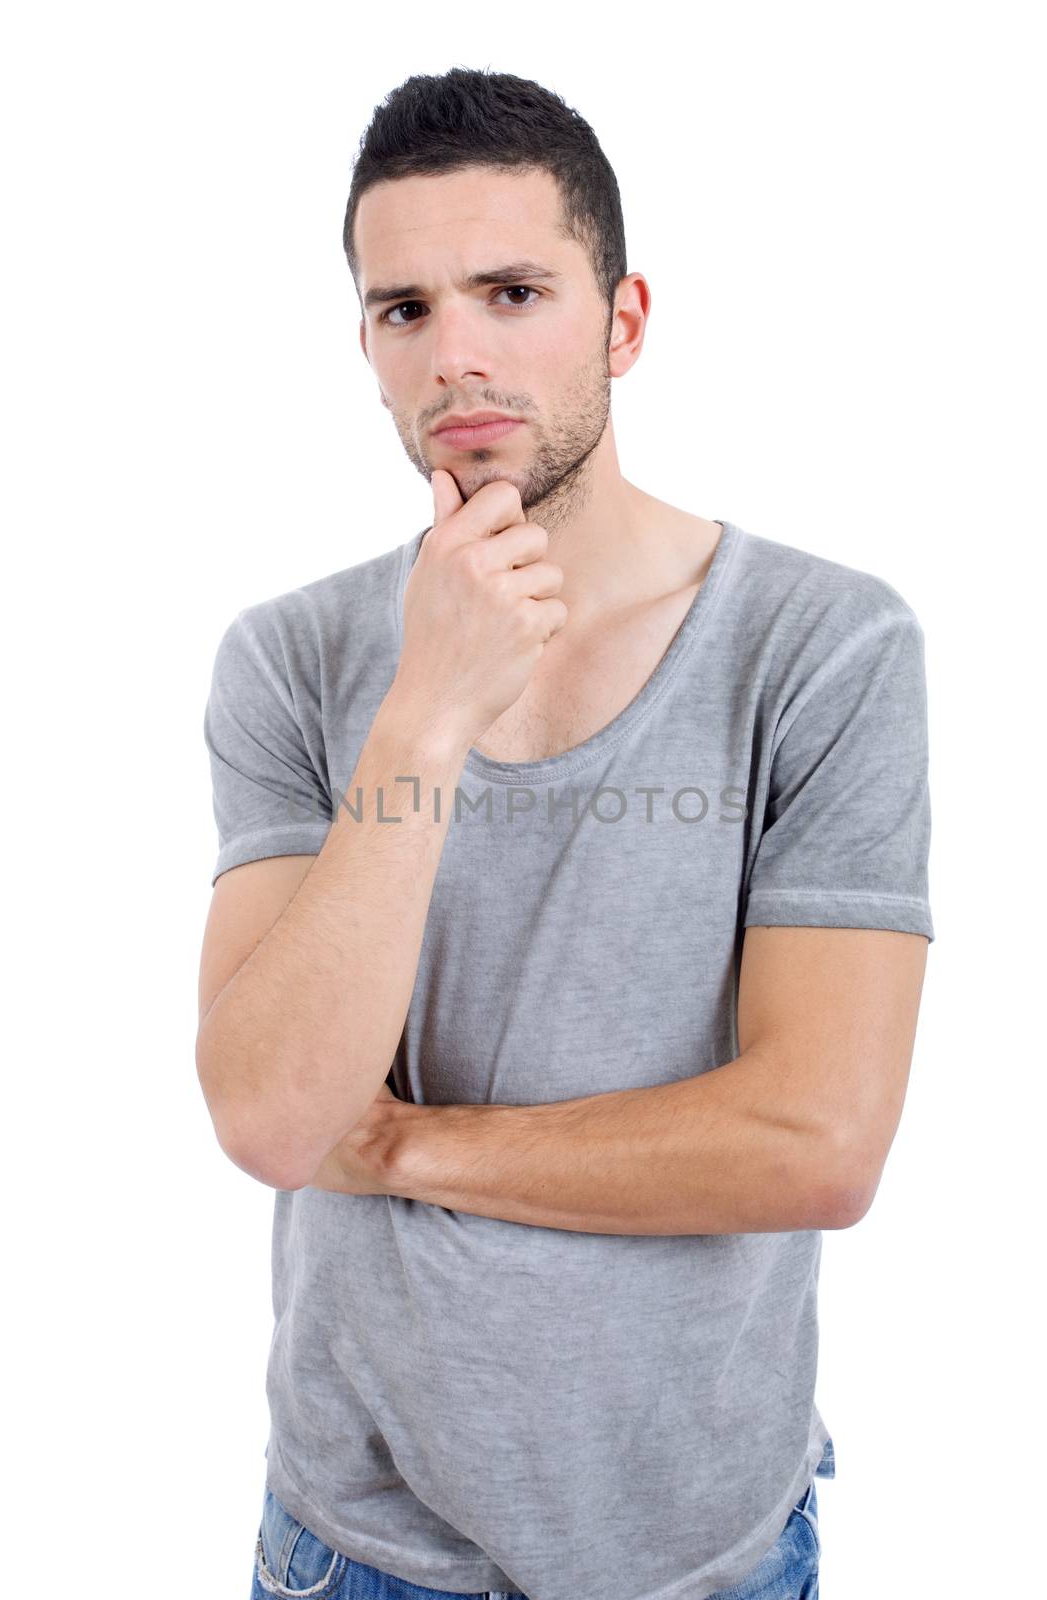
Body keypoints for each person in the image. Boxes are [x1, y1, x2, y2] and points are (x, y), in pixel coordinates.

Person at [197, 66, 932, 1600]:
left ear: (625, 319)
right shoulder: (294, 659)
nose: (457, 354)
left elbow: (816, 1141)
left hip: (701, 1551)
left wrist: (396, 1142)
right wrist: (427, 716)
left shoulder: (823, 645)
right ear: (370, 351)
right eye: (405, 310)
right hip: (357, 1544)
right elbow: (272, 1117)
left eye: (513, 290)